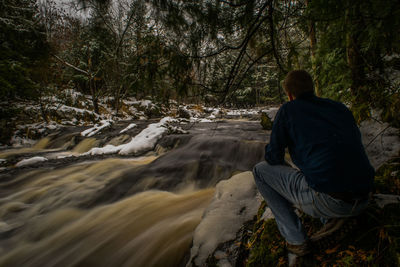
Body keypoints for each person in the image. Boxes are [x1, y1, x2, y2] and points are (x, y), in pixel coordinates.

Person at [252, 70, 375, 258]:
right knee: (325, 169)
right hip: (364, 195)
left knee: (260, 171)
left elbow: (273, 158)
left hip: (330, 200)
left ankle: (296, 240)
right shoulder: (339, 107)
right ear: (313, 88)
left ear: (290, 95)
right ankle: (333, 219)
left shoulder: (288, 110)